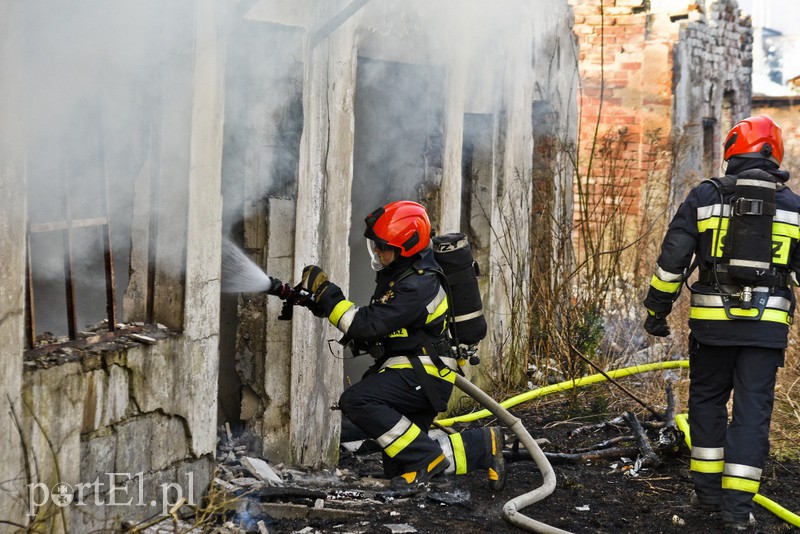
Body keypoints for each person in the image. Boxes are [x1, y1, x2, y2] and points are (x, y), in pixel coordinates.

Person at [643, 115, 799, 532]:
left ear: (732, 149)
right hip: (766, 333)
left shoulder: (705, 196)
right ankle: (737, 512)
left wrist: (656, 311)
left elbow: (672, 260)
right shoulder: (794, 206)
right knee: (752, 414)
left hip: (712, 327)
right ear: (775, 153)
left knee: (707, 403)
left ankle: (707, 498)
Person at [298, 200, 505, 489]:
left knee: (357, 400)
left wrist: (327, 293)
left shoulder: (419, 285)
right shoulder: (402, 275)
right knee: (399, 463)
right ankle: (482, 444)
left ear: (406, 246)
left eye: (383, 246)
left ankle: (426, 458)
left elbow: (365, 324)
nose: (378, 251)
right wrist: (319, 305)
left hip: (421, 375)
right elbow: (376, 327)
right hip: (412, 371)